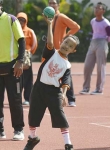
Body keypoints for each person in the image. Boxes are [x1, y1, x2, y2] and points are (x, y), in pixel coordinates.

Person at [23, 13, 79, 150]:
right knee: (33, 115)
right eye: (66, 42)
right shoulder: (51, 52)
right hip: (39, 89)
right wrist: (49, 24)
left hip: (54, 92)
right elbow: (49, 42)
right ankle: (32, 138)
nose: (67, 46)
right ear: (62, 41)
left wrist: (64, 94)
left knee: (61, 117)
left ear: (73, 50)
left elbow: (66, 82)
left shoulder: (67, 65)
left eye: (70, 46)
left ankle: (68, 143)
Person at [0, 0, 25, 140]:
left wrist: (20, 61)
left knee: (15, 100)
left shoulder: (11, 19)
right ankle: (0, 130)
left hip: (12, 66)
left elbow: (21, 41)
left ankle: (18, 130)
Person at [48, 0, 80, 107]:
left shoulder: (60, 16)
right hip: (52, 50)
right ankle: (53, 97)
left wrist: (66, 38)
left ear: (58, 5)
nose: (52, 5)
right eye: (50, 3)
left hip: (61, 50)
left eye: (54, 3)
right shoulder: (50, 17)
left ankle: (71, 99)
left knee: (66, 74)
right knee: (52, 73)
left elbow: (76, 27)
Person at [79, 2, 110, 95]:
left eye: (99, 8)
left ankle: (99, 89)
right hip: (93, 42)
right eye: (95, 8)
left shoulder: (106, 23)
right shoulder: (93, 21)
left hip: (102, 43)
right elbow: (94, 31)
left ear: (103, 11)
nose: (96, 10)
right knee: (87, 66)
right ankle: (86, 88)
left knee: (100, 67)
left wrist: (103, 42)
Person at [16, 12, 38, 106]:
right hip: (16, 58)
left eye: (23, 20)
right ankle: (17, 98)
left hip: (27, 58)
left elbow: (34, 44)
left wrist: (29, 53)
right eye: (19, 19)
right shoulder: (14, 30)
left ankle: (27, 98)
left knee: (28, 79)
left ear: (26, 21)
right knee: (17, 79)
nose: (21, 21)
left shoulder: (30, 31)